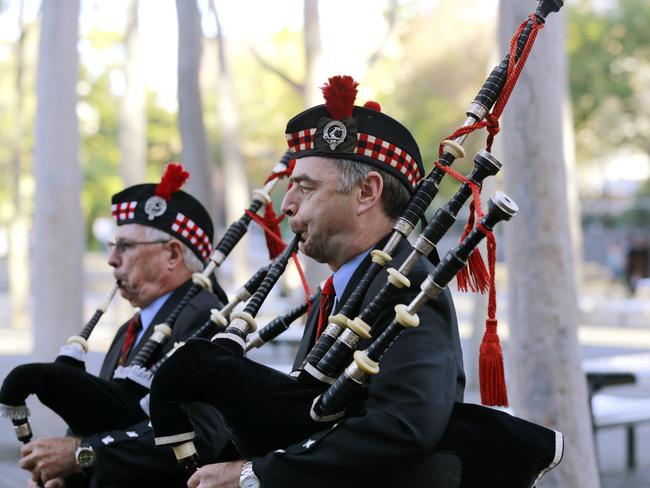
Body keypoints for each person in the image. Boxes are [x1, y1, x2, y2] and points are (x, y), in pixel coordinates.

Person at [186, 75, 465, 488]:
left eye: (305, 187)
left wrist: (253, 475)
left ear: (367, 193)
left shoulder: (406, 285)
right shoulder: (340, 290)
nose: (287, 206)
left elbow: (403, 427)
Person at [19, 164, 233, 488]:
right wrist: (64, 473)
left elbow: (201, 438)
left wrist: (80, 457)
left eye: (126, 246)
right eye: (112, 245)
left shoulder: (206, 321)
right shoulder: (130, 330)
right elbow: (98, 421)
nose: (112, 259)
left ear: (173, 255)